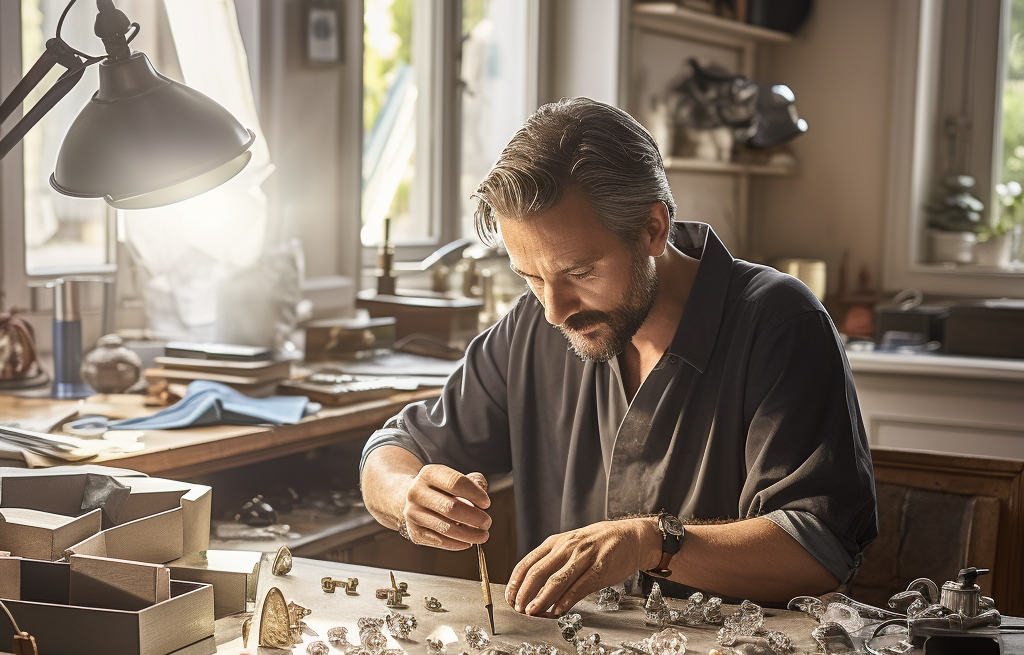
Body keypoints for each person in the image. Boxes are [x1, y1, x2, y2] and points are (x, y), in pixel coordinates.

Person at [359, 98, 877, 617]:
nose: (556, 310)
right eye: (532, 278)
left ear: (653, 229)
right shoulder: (532, 326)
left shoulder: (780, 322)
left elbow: (818, 550)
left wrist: (649, 542)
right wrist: (408, 497)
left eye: (580, 272)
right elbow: (393, 448)